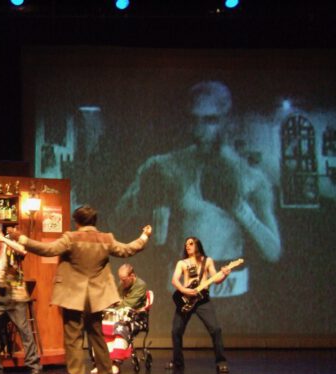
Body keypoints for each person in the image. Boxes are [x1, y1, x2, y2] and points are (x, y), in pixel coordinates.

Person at [114, 80, 280, 298]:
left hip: (230, 294)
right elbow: (118, 219)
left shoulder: (251, 177)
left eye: (210, 120)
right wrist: (143, 201)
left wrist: (241, 211)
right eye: (194, 120)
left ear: (227, 122)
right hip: (182, 288)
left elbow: (273, 252)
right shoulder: (164, 166)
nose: (200, 130)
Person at [7, 205, 152, 374]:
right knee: (97, 337)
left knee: (73, 339)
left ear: (77, 221)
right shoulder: (105, 239)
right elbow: (128, 250)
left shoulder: (71, 238)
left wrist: (21, 238)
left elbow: (47, 249)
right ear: (94, 221)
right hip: (96, 297)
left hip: (72, 296)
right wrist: (144, 236)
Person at [0, 222, 44, 374]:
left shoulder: (10, 248)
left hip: (15, 296)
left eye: (0, 232)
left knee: (24, 330)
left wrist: (4, 240)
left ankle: (34, 366)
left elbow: (23, 250)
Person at [168, 236, 232, 373]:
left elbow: (216, 279)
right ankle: (177, 362)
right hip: (187, 299)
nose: (187, 246)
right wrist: (184, 290)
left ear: (197, 245)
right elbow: (174, 280)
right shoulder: (182, 263)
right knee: (176, 331)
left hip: (203, 300)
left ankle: (221, 361)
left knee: (216, 329)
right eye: (186, 244)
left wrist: (225, 274)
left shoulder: (207, 261)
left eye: (191, 243)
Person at [92, 263, 149, 374]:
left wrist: (120, 303)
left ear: (132, 276)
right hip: (120, 315)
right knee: (103, 328)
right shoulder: (122, 284)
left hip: (136, 318)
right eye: (121, 279)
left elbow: (129, 304)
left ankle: (115, 363)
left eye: (124, 279)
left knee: (120, 328)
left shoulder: (140, 285)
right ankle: (103, 363)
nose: (122, 282)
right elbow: (115, 300)